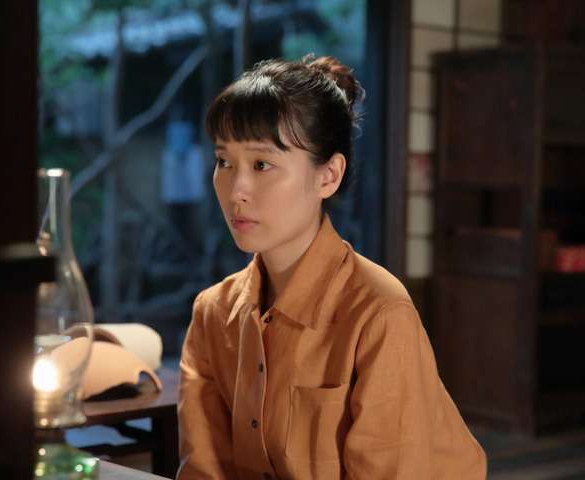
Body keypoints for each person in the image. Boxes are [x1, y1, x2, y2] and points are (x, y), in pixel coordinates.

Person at [177, 54, 487, 479]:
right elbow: (203, 469)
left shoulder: (378, 312)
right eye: (224, 162)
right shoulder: (213, 312)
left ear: (328, 176)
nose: (237, 191)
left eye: (262, 164)